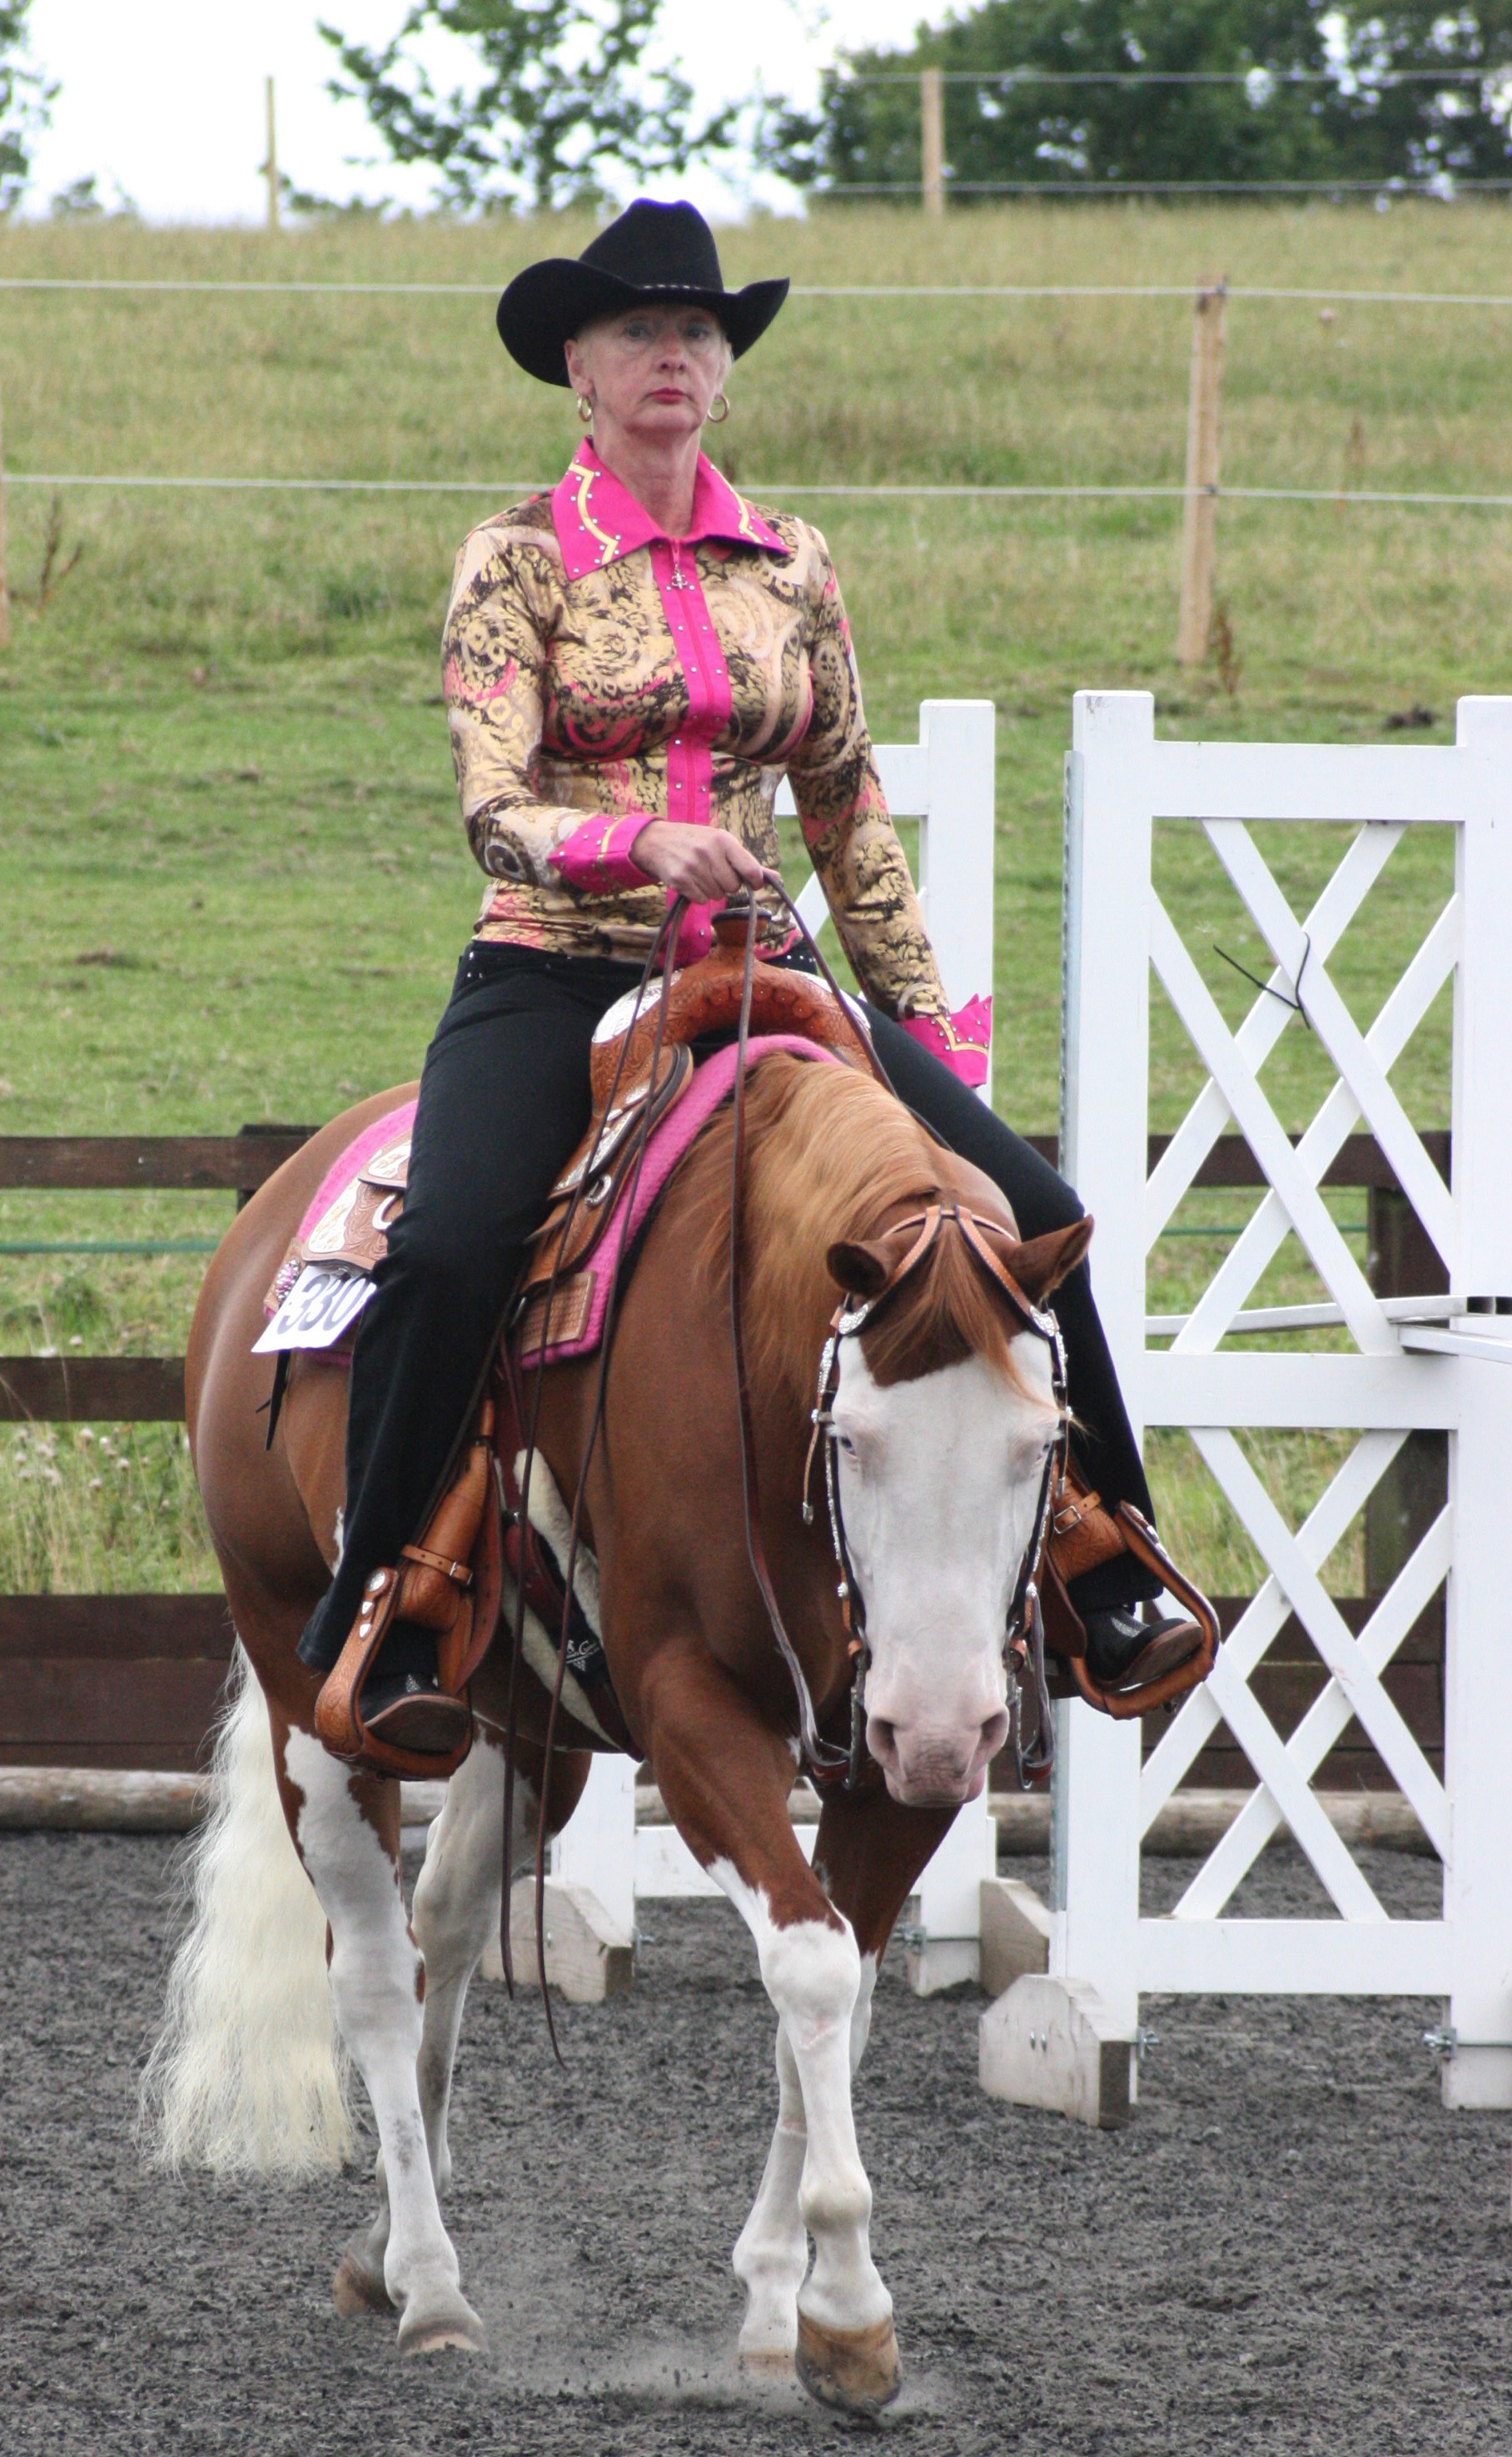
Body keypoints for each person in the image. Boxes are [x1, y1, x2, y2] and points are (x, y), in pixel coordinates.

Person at [299, 196, 1202, 1753]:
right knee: (449, 1251)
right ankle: (381, 1606)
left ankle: (1101, 1558)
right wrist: (639, 844)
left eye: (697, 331)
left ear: (725, 370)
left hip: (766, 968)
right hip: (557, 971)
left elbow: (845, 799)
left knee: (1037, 1216)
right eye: (638, 329)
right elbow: (491, 805)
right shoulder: (515, 559)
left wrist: (916, 1022)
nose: (672, 352)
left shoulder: (793, 562)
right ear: (575, 366)